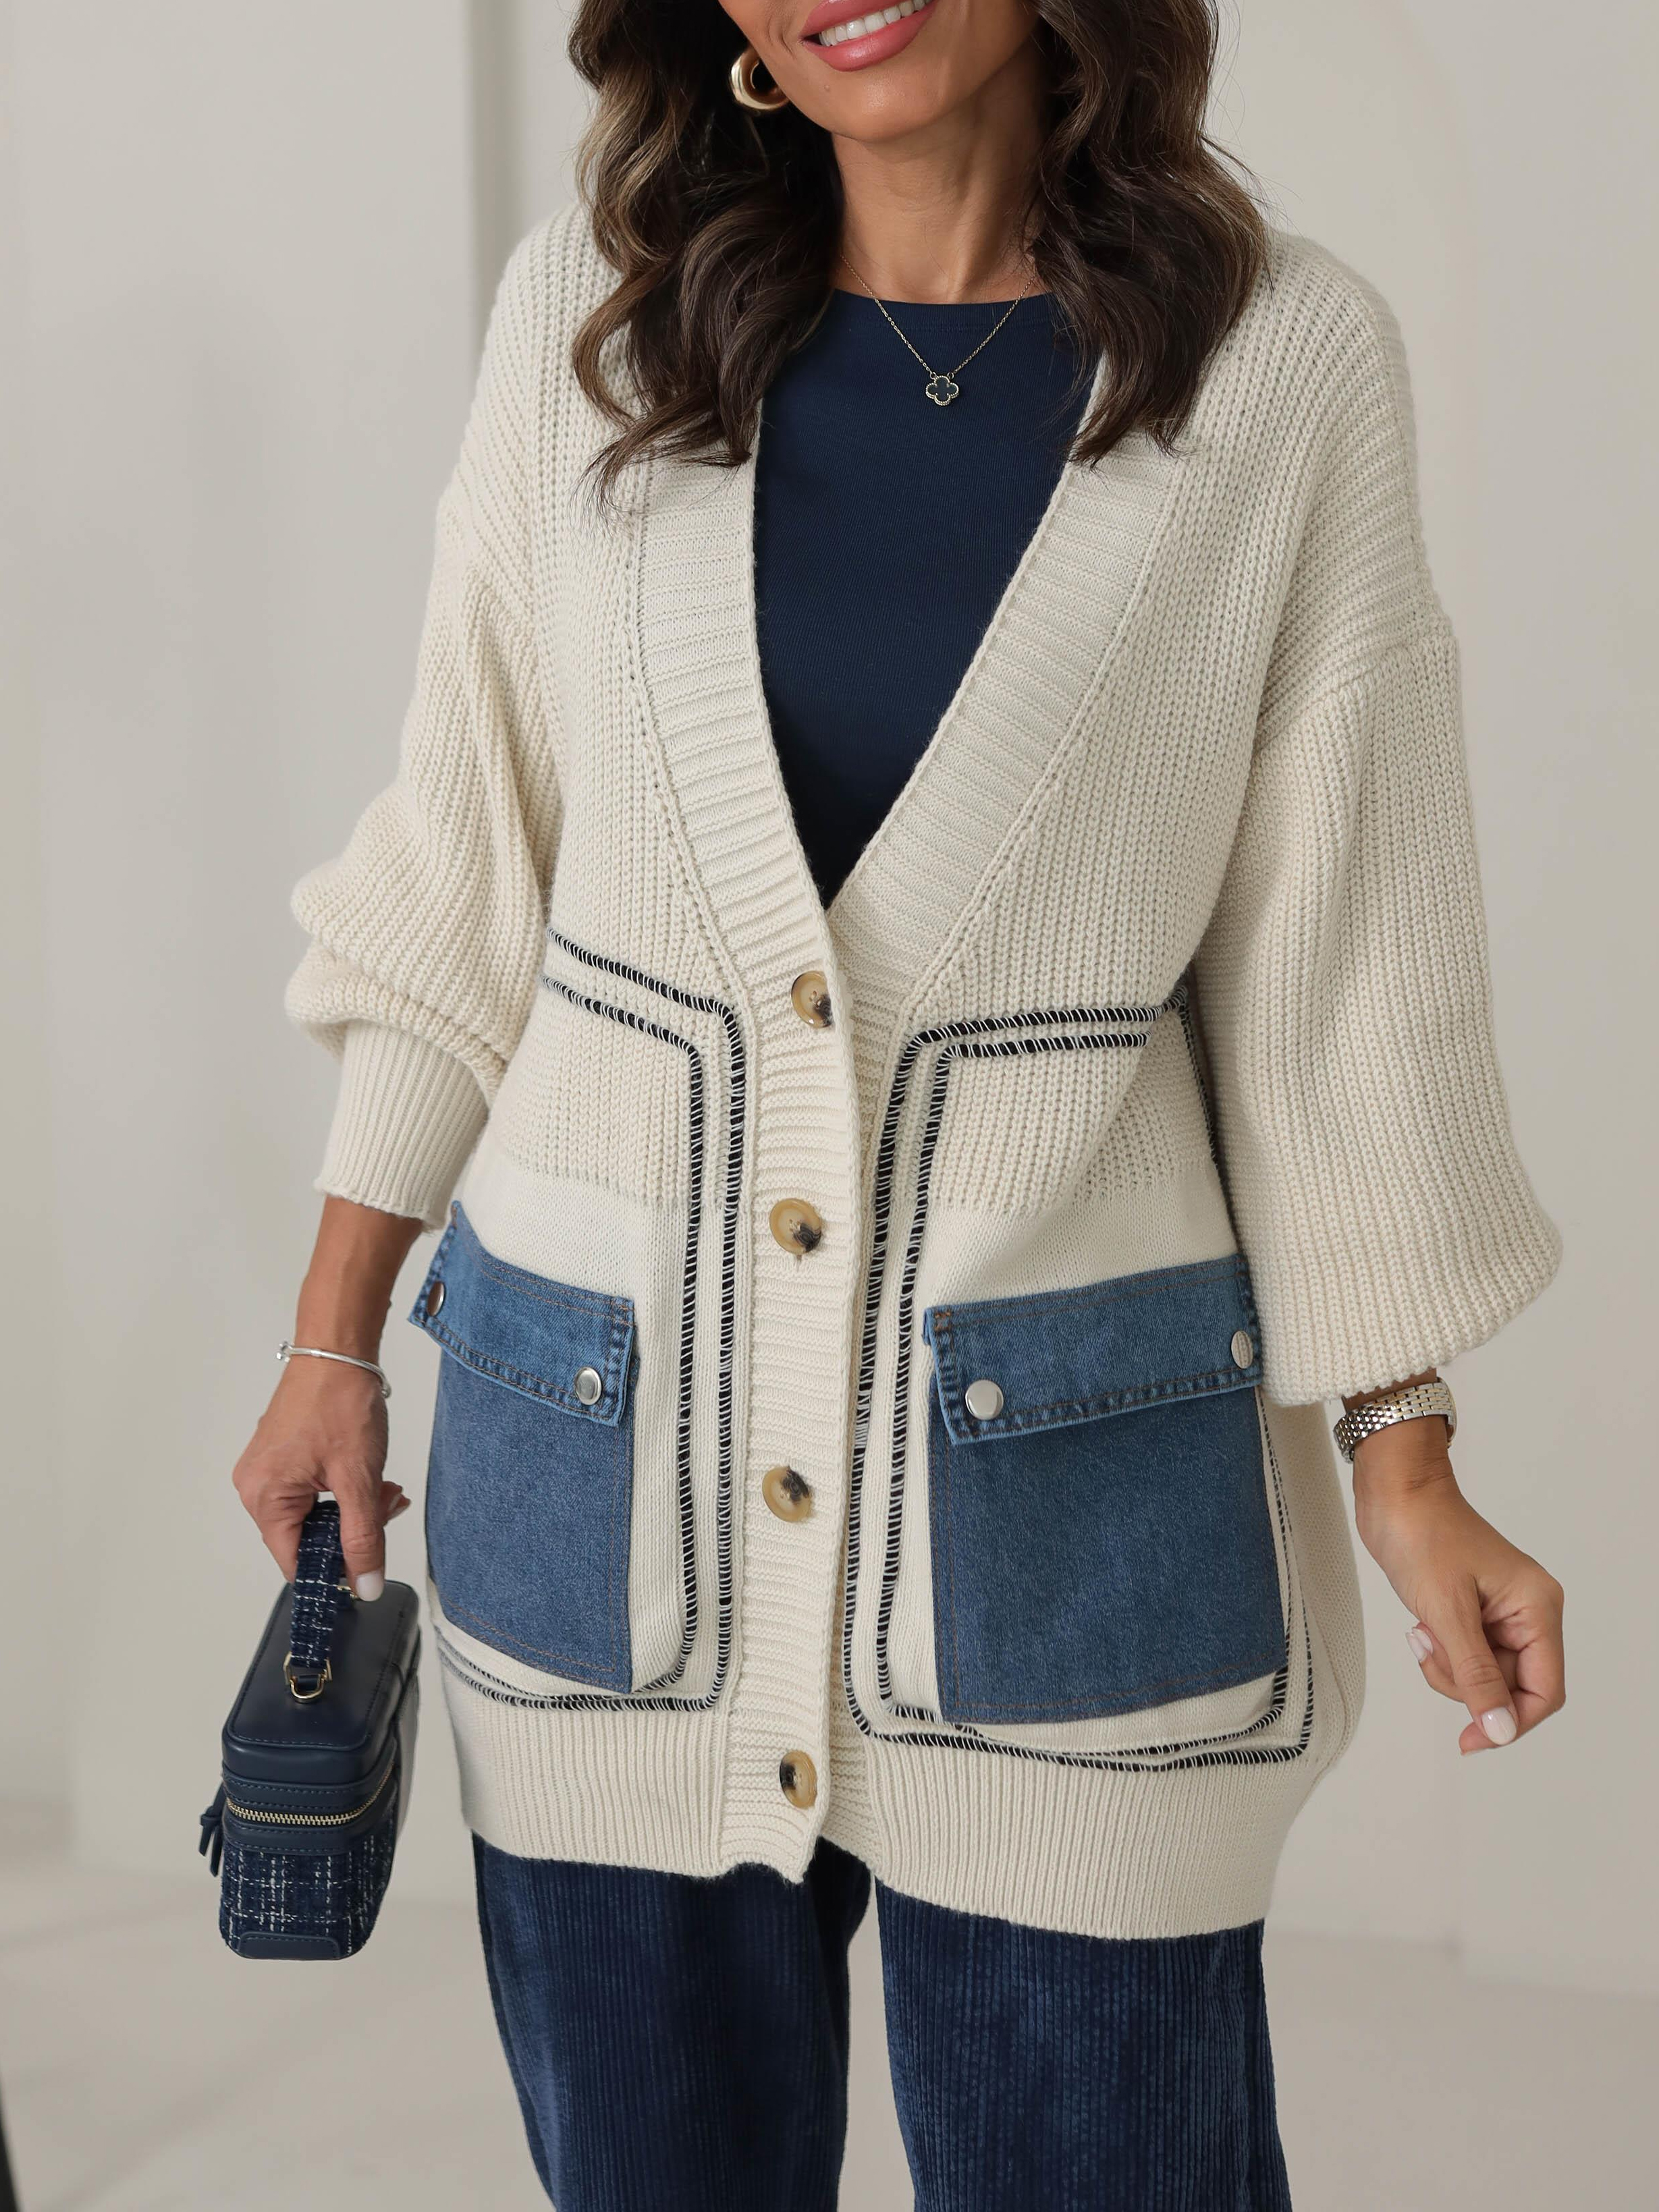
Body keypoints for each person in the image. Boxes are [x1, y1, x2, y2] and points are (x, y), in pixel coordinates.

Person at [232, 1, 1567, 2204]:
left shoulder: (1280, 364)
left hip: (1067, 1521)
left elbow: (1341, 962)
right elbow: (459, 870)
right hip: (609, 1508)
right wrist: (330, 1341)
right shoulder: (594, 316)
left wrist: (1401, 1452)